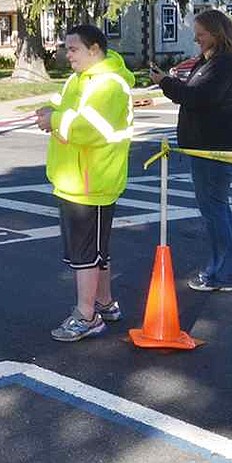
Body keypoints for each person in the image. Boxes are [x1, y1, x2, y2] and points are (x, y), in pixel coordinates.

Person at [37, 24, 134, 342]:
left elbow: (89, 128)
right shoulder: (82, 80)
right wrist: (51, 113)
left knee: (85, 255)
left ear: (94, 50)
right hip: (77, 179)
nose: (67, 54)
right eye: (67, 48)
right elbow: (71, 114)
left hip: (92, 181)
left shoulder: (108, 84)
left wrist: (52, 120)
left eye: (74, 49)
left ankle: (86, 315)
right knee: (96, 251)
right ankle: (105, 304)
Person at [151, 9, 232, 292]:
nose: (196, 38)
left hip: (214, 147)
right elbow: (196, 93)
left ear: (217, 34)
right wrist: (172, 84)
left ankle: (221, 274)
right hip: (206, 145)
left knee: (214, 209)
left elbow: (198, 97)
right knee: (218, 207)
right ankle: (230, 268)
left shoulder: (225, 65)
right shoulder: (212, 62)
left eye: (201, 34)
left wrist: (165, 84)